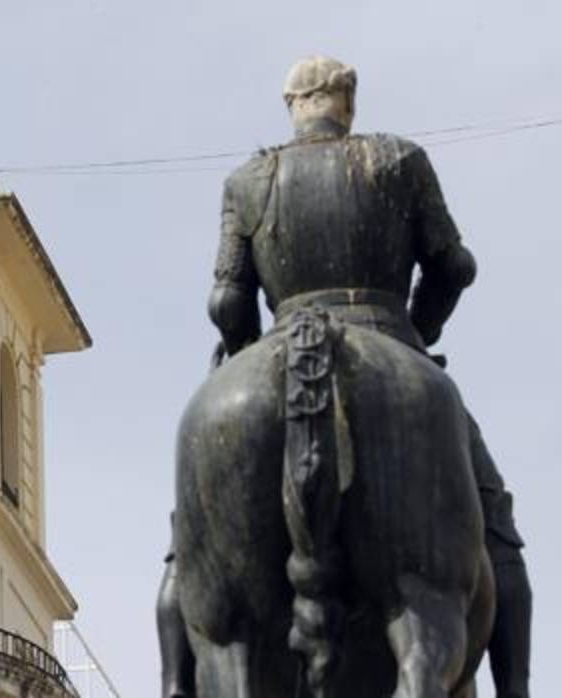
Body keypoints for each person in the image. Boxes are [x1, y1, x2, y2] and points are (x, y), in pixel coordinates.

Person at [157, 56, 531, 698]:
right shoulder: (398, 161)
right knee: (497, 530)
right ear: (347, 104)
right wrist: (420, 332)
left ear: (293, 105)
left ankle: (172, 683)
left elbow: (226, 301)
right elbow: (454, 267)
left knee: (183, 553)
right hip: (393, 341)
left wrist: (241, 351)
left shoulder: (250, 178)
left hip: (271, 342)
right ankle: (516, 686)